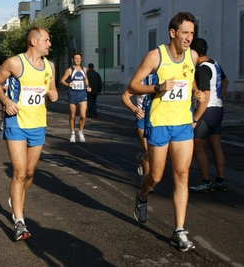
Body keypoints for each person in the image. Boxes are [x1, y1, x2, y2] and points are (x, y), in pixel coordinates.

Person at [128, 12, 204, 252]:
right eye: (185, 33)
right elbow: (133, 85)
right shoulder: (155, 56)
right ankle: (142, 195)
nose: (189, 38)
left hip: (183, 124)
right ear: (173, 33)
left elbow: (189, 78)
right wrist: (157, 87)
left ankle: (179, 231)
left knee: (182, 176)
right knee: (156, 177)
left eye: (192, 33)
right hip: (159, 124)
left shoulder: (192, 56)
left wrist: (196, 92)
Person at [0, 27, 58, 241]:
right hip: (16, 123)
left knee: (29, 173)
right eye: (47, 40)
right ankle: (19, 221)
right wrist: (6, 101)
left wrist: (52, 94)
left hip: (38, 125)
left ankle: (16, 198)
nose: (49, 44)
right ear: (34, 42)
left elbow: (51, 90)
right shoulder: (15, 63)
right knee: (19, 173)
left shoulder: (50, 66)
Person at [189, 38, 229, 193]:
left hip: (207, 111)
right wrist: (219, 97)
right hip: (218, 109)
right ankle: (221, 180)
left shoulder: (202, 69)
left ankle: (205, 181)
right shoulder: (214, 63)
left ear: (194, 52)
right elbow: (225, 82)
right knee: (215, 146)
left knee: (197, 146)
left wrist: (195, 119)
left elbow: (204, 98)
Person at [60, 52, 92, 143]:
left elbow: (85, 79)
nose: (78, 60)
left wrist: (88, 86)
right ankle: (72, 133)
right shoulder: (69, 70)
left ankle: (80, 132)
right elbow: (62, 80)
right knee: (72, 115)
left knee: (83, 115)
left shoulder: (84, 69)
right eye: (76, 58)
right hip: (73, 94)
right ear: (72, 60)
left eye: (79, 58)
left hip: (82, 94)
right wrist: (68, 84)